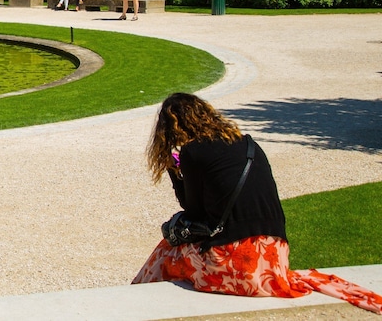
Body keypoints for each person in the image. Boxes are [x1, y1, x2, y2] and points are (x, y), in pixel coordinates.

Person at [133, 93, 382, 313]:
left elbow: (193, 210)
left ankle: (135, 304)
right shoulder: (250, 144)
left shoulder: (192, 152)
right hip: (275, 260)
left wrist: (175, 172)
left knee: (168, 246)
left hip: (238, 267)